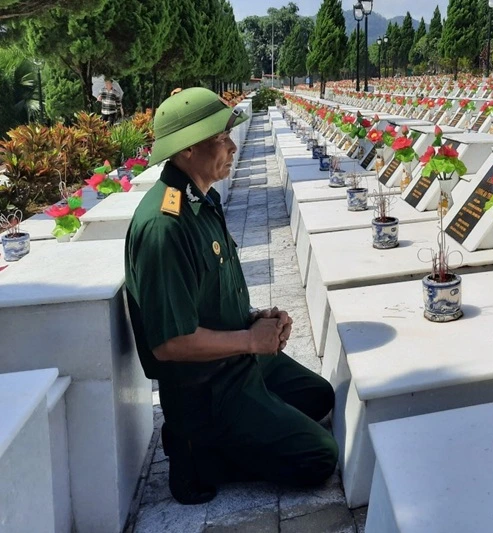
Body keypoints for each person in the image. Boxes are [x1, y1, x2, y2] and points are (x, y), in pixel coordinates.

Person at [124, 87, 338, 505]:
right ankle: (198, 453)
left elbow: (208, 294)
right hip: (207, 387)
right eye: (221, 138)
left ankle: (253, 422)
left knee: (318, 396)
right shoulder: (165, 226)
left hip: (236, 360)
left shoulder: (201, 199)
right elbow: (169, 344)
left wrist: (257, 319)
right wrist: (249, 341)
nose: (233, 147)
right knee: (318, 457)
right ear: (186, 149)